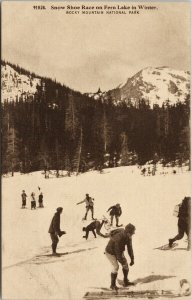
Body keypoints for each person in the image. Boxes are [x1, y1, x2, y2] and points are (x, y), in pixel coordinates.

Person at [105, 223, 136, 290]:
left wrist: (132, 259)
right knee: (116, 267)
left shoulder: (128, 236)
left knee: (125, 265)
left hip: (119, 251)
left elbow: (130, 248)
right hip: (110, 252)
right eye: (132, 233)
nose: (133, 234)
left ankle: (125, 281)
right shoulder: (118, 237)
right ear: (128, 232)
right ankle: (112, 285)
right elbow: (117, 251)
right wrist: (121, 261)